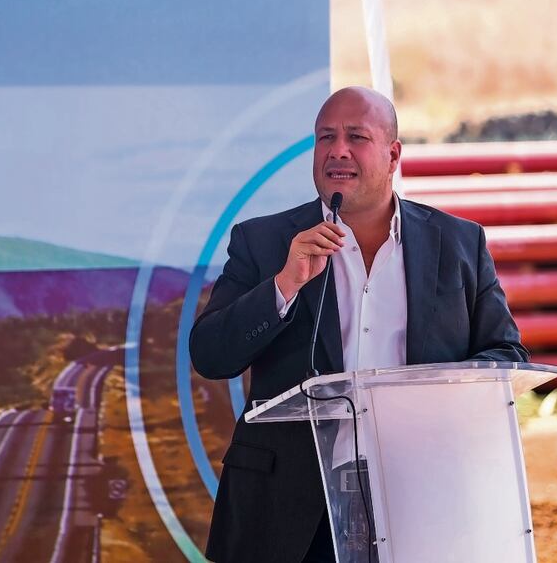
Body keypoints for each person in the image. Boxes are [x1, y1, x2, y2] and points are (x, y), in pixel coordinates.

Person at [189, 86, 529, 563]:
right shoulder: (264, 242)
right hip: (287, 514)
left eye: (356, 137)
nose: (337, 150)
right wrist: (284, 286)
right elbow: (209, 354)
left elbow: (506, 356)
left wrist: (433, 392)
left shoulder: (457, 243)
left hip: (420, 502)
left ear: (392, 155)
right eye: (325, 137)